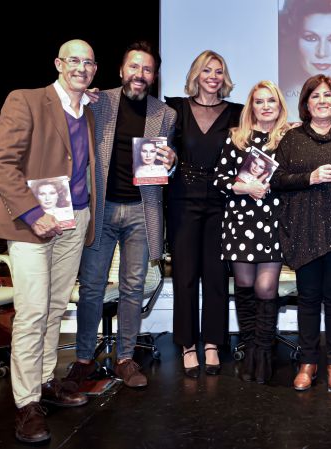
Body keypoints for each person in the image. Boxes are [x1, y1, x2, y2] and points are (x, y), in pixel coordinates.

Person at [0, 39, 98, 444]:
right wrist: (35, 215)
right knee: (33, 312)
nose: (81, 68)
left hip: (74, 220)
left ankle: (47, 381)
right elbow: (2, 163)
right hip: (32, 225)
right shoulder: (26, 100)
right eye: (74, 60)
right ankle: (26, 403)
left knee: (54, 308)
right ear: (58, 63)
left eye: (88, 63)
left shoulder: (88, 110)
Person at [65, 41, 177, 389]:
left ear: (154, 76)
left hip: (141, 213)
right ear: (121, 70)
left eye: (146, 70)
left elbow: (162, 168)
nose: (139, 75)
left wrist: (170, 163)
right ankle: (83, 359)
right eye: (134, 67)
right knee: (92, 288)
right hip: (101, 209)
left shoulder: (166, 115)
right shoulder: (98, 102)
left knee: (132, 288)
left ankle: (125, 359)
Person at [270, 74, 331, 392]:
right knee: (309, 300)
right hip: (304, 230)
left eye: (328, 95)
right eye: (316, 96)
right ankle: (307, 362)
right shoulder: (292, 139)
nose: (322, 100)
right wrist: (308, 177)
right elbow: (277, 179)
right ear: (306, 102)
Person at [164, 50, 243, 378]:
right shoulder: (174, 109)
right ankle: (187, 344)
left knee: (215, 276)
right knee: (184, 276)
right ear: (196, 74)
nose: (213, 76)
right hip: (182, 201)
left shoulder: (238, 113)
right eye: (207, 70)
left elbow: (264, 134)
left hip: (221, 203)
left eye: (219, 71)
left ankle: (212, 342)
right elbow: (157, 142)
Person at [214, 80, 290, 384]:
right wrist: (246, 187)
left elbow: (295, 176)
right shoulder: (237, 139)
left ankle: (264, 352)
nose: (266, 106)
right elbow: (220, 180)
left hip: (274, 222)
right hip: (240, 220)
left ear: (280, 105)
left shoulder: (289, 139)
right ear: (251, 106)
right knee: (245, 287)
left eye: (271, 100)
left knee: (266, 288)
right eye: (259, 101)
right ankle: (248, 348)